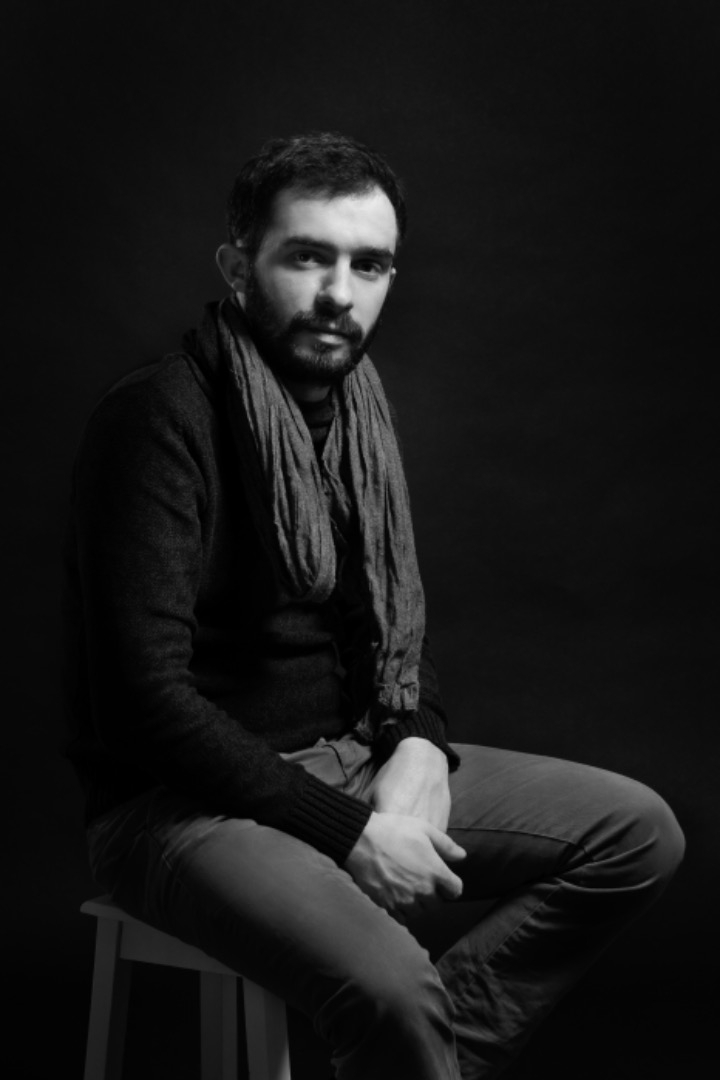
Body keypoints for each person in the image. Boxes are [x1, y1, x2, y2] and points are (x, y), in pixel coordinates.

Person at [63, 131, 684, 1079]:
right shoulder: (156, 418)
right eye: (307, 256)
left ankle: (419, 1058)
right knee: (393, 987)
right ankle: (409, 1043)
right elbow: (139, 705)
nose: (339, 294)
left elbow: (390, 627)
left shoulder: (357, 413)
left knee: (636, 834)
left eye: (369, 264)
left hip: (349, 753)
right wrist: (349, 833)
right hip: (178, 808)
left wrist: (419, 741)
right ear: (237, 266)